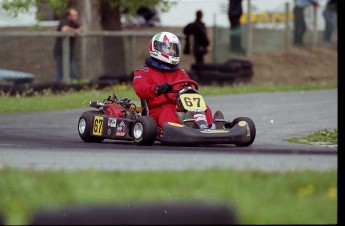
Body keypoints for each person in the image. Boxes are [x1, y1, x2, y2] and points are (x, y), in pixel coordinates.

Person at [132, 31, 218, 129]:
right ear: (156, 48)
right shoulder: (144, 71)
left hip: (181, 107)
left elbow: (189, 89)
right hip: (158, 110)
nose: (172, 51)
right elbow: (140, 89)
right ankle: (180, 130)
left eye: (174, 48)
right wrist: (157, 89)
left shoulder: (180, 72)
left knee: (203, 107)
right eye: (168, 48)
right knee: (168, 110)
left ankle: (209, 128)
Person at [53, 8, 83, 83]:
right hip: (60, 52)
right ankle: (56, 89)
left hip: (69, 54)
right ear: (69, 16)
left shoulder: (73, 23)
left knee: (73, 74)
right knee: (61, 74)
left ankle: (71, 88)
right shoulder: (64, 21)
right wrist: (75, 31)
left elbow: (81, 28)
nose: (77, 17)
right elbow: (64, 29)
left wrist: (78, 30)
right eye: (75, 15)